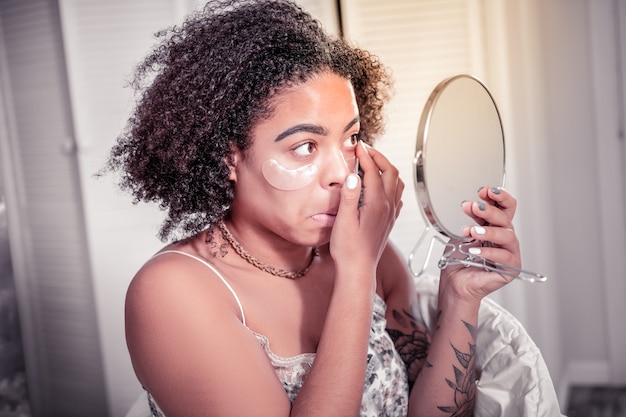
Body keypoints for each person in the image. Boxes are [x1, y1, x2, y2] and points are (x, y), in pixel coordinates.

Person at [105, 0, 520, 415]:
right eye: (305, 147)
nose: (343, 173)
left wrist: (462, 296)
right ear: (226, 158)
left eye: (351, 138)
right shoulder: (173, 292)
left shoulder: (375, 255)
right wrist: (356, 274)